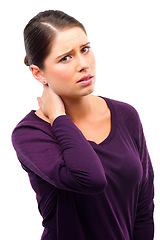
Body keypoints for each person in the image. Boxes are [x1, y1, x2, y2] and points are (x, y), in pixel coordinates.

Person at [12, 10, 154, 240]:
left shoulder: (127, 116)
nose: (83, 64)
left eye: (85, 49)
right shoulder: (31, 134)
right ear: (39, 74)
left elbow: (143, 209)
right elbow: (90, 178)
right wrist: (59, 118)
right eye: (66, 57)